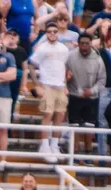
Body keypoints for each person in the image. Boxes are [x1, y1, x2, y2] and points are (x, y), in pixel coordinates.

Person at [27, 22, 71, 161]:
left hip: (60, 86)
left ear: (58, 32)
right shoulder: (42, 48)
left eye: (54, 31)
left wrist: (65, 84)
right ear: (46, 33)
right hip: (47, 85)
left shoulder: (64, 49)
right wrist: (37, 84)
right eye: (49, 31)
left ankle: (54, 145)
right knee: (48, 114)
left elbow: (65, 67)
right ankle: (44, 146)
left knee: (60, 115)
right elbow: (31, 65)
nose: (52, 34)